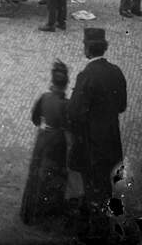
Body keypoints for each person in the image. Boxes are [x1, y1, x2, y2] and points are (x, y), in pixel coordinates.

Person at [67, 27, 127, 214]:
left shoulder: (86, 76)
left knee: (93, 186)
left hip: (91, 145)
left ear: (87, 48)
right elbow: (121, 106)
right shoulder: (116, 72)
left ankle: (95, 228)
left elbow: (75, 113)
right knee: (106, 184)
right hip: (111, 140)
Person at [19, 60, 70, 227]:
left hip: (42, 140)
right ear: (66, 84)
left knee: (36, 174)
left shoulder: (44, 97)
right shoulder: (66, 105)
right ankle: (48, 215)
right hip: (58, 142)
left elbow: (34, 118)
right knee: (53, 177)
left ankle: (29, 213)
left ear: (52, 81)